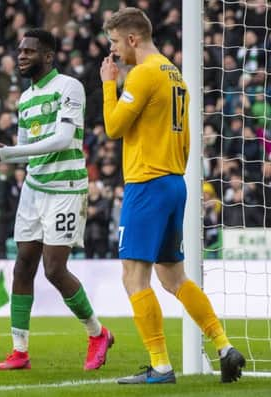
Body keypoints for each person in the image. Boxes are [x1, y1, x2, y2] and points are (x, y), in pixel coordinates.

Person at [0, 29, 113, 371]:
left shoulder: (69, 87)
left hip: (65, 187)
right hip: (34, 189)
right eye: (20, 51)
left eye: (29, 51)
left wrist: (4, 154)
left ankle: (98, 333)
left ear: (48, 56)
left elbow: (63, 139)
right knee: (22, 265)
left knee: (54, 269)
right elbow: (20, 154)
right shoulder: (25, 98)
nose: (21, 56)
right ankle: (19, 352)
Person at [100, 7, 245, 384]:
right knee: (173, 277)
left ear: (132, 38)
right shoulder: (174, 73)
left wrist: (108, 84)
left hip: (147, 182)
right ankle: (224, 345)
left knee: (134, 277)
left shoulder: (144, 73)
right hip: (174, 181)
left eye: (115, 43)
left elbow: (114, 127)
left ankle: (161, 365)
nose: (114, 52)